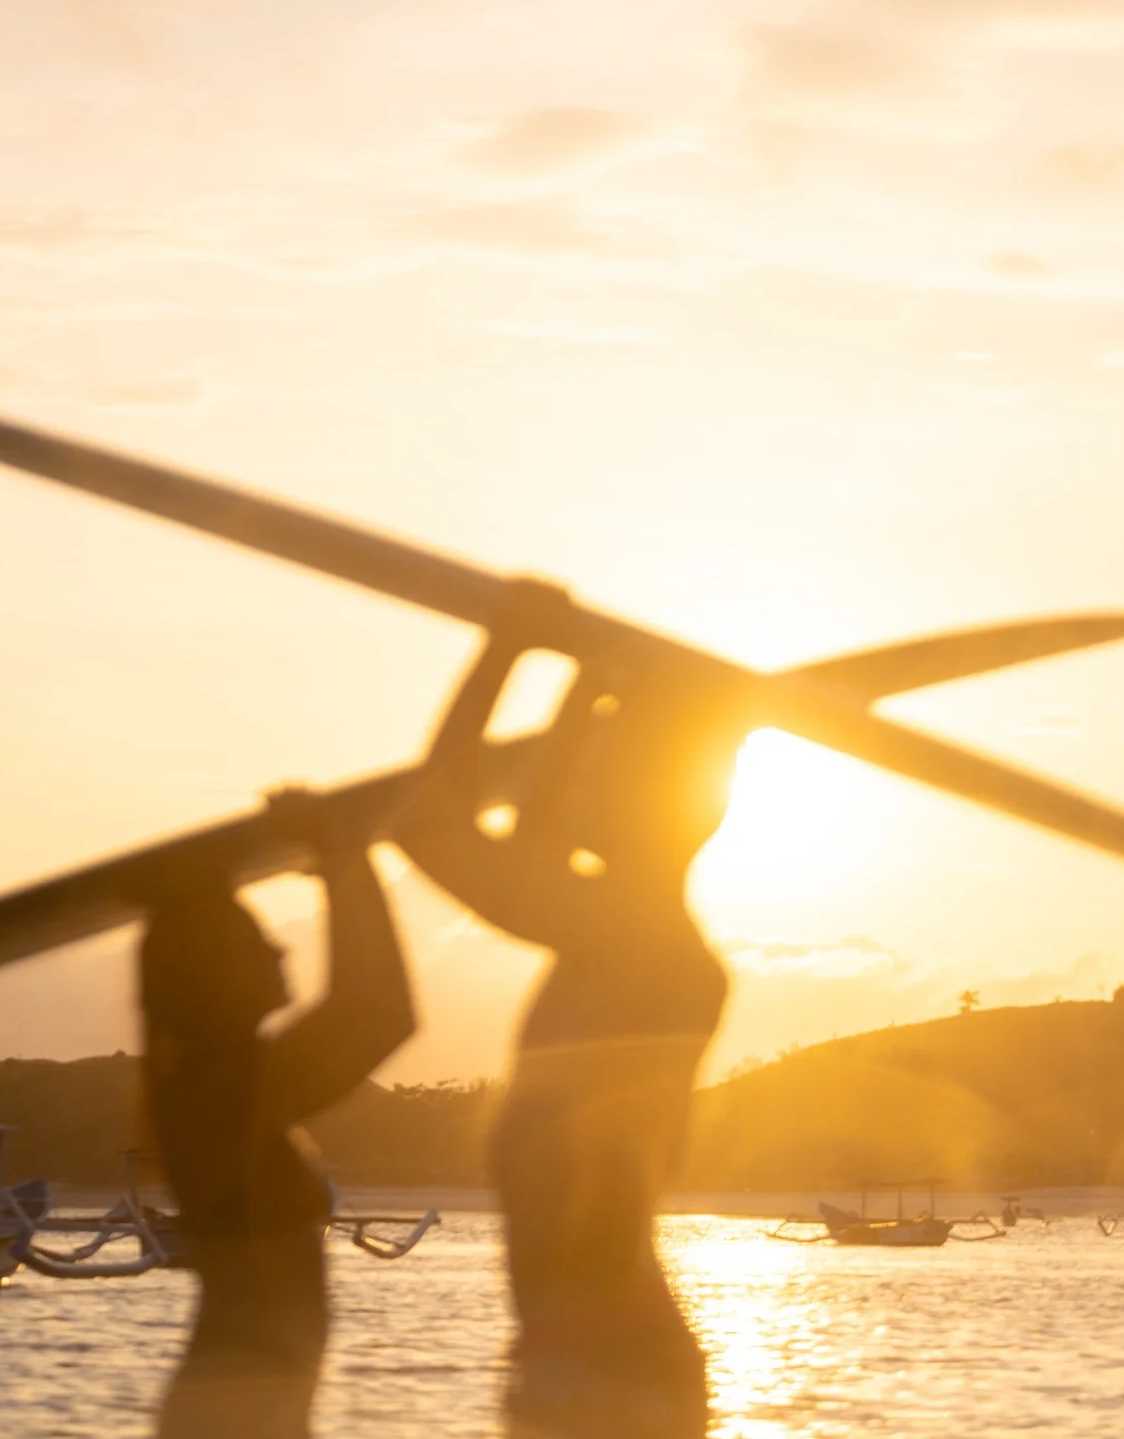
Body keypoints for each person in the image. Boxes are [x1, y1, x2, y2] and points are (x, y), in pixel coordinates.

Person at [394, 580, 751, 1439]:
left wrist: (507, 647)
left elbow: (432, 822)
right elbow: (530, 836)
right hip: (597, 1356)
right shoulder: (638, 931)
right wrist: (577, 683)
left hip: (602, 1372)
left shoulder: (625, 935)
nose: (576, 777)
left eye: (604, 759)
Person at [139, 786, 415, 1439]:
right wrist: (342, 854)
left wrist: (340, 855)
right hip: (239, 1402)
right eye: (256, 940)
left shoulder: (211, 1088)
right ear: (213, 973)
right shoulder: (220, 1094)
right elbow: (380, 1012)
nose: (280, 951)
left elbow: (381, 1012)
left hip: (250, 1398)